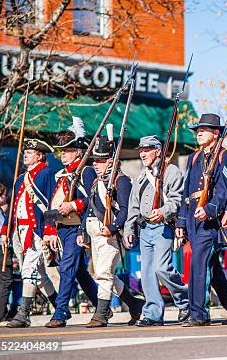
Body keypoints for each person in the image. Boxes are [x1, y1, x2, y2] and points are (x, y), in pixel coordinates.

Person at [175, 114, 227, 326]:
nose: (199, 132)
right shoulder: (193, 158)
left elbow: (225, 190)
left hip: (211, 221)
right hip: (194, 218)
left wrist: (211, 209)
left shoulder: (225, 157)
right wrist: (180, 222)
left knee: (197, 265)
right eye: (198, 129)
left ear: (216, 134)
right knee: (211, 269)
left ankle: (198, 313)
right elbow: (186, 191)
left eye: (204, 129)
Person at [76, 131, 144, 327]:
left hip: (109, 235)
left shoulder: (121, 181)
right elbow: (91, 207)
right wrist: (82, 231)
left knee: (104, 273)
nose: (95, 164)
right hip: (94, 234)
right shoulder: (98, 182)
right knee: (102, 274)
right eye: (95, 160)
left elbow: (126, 210)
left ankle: (101, 314)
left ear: (111, 161)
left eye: (101, 160)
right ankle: (134, 304)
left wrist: (113, 227)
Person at [124, 135, 189, 326]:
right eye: (141, 151)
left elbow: (177, 199)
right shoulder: (141, 177)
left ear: (158, 151)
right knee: (147, 273)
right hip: (145, 228)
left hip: (163, 226)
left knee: (162, 268)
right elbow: (133, 206)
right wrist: (129, 228)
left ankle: (184, 300)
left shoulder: (171, 171)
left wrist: (162, 211)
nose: (142, 154)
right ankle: (152, 312)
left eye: (146, 150)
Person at [43, 117, 99, 328]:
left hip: (78, 227)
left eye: (67, 150)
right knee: (78, 271)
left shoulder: (85, 171)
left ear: (78, 151)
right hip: (63, 229)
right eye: (61, 150)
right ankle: (104, 306)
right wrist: (49, 230)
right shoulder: (63, 174)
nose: (62, 154)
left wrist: (74, 205)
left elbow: (94, 198)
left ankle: (61, 312)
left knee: (67, 269)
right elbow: (54, 204)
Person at [2, 139, 58, 328]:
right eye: (25, 151)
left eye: (30, 152)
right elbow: (13, 209)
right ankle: (60, 308)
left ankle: (23, 313)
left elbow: (52, 204)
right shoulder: (20, 179)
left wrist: (50, 229)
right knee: (40, 276)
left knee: (29, 271)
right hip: (20, 231)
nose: (25, 154)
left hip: (37, 231)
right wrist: (5, 230)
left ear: (40, 155)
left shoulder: (47, 173)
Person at [0, 184, 13, 324]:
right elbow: (2, 231)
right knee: (4, 280)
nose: (5, 197)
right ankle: (0, 315)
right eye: (4, 195)